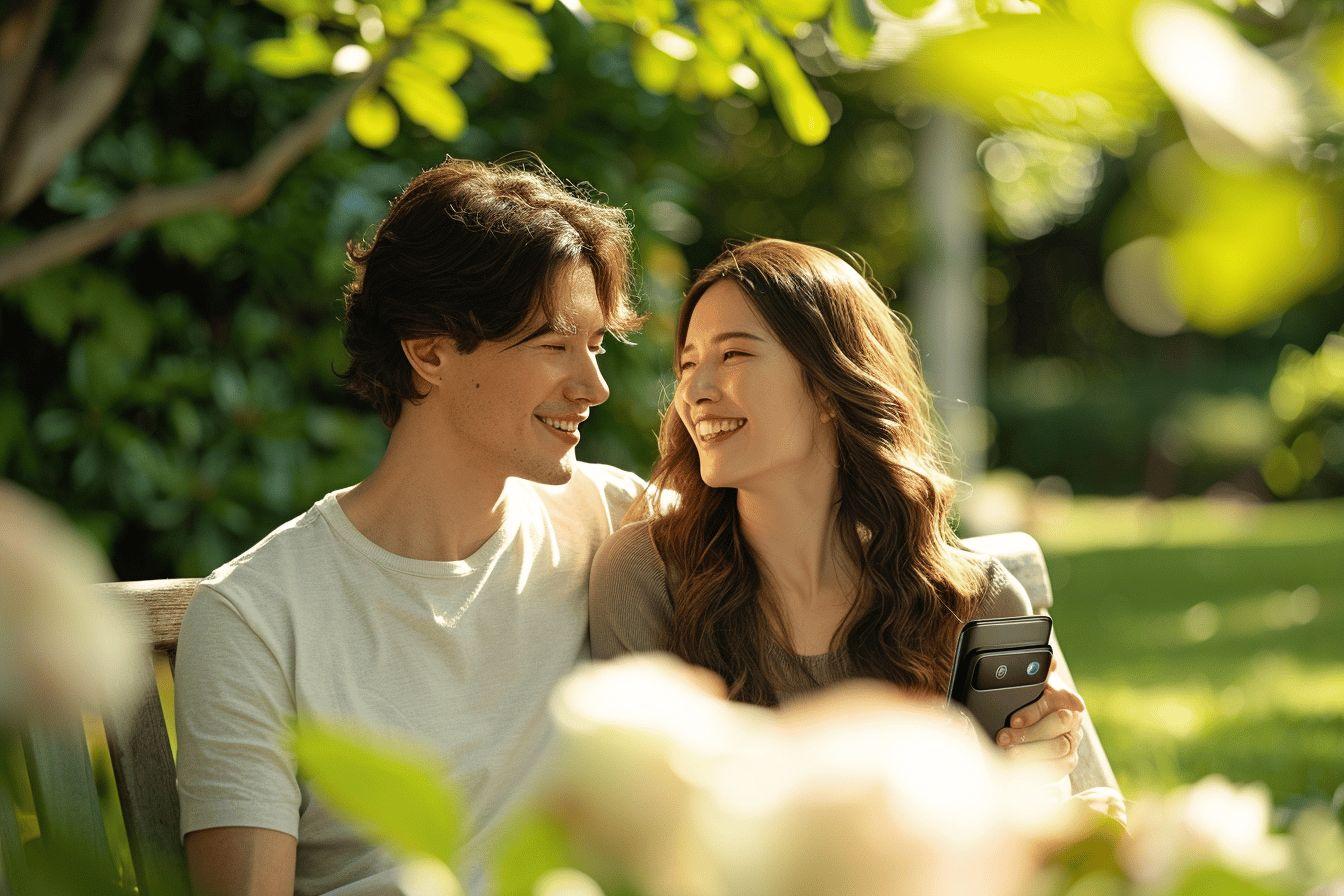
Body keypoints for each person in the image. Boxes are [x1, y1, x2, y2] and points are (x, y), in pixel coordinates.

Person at [174, 158, 646, 896]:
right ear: (429, 353)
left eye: (596, 345)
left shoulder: (617, 526)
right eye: (555, 345)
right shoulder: (258, 618)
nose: (594, 386)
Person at [589, 238, 1085, 781]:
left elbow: (1005, 829)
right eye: (687, 363)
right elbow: (645, 826)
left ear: (828, 386)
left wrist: (1038, 758)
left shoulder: (975, 601)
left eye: (733, 354)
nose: (695, 391)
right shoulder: (647, 574)